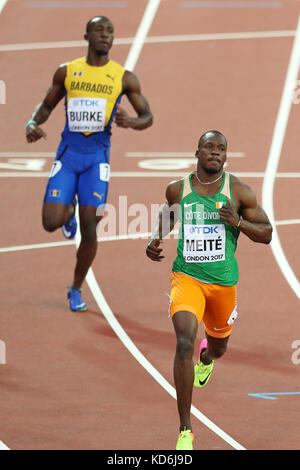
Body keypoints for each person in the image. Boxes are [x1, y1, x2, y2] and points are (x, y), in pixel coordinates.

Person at [146, 130, 272, 450]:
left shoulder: (239, 193)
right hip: (186, 278)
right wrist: (156, 237)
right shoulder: (178, 189)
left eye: (221, 149)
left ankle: (208, 356)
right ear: (197, 153)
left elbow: (268, 233)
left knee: (218, 348)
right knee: (183, 340)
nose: (215, 153)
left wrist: (237, 223)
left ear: (226, 157)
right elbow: (168, 212)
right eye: (209, 147)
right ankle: (185, 429)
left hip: (223, 284)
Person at [26, 16, 153, 312]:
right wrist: (33, 122)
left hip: (97, 161)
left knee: (91, 228)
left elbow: (148, 115)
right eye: (99, 30)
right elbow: (46, 106)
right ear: (86, 35)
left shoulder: (123, 78)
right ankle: (66, 211)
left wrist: (132, 122)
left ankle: (76, 288)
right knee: (50, 223)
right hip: (68, 155)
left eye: (110, 31)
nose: (105, 35)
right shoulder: (68, 72)